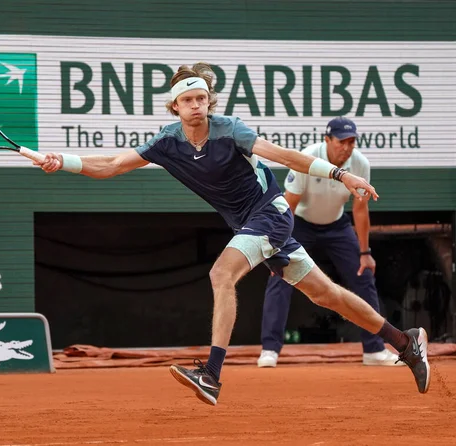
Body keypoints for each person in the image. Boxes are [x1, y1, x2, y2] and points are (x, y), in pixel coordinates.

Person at [37, 62, 430, 406]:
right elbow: (111, 164)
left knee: (220, 274)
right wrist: (63, 161)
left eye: (201, 98)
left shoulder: (230, 130)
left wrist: (340, 173)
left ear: (209, 102)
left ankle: (211, 373)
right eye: (187, 100)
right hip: (248, 224)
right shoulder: (167, 142)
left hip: (270, 214)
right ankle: (404, 342)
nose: (195, 105)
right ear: (175, 106)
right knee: (326, 293)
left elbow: (283, 155)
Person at [257, 117, 404, 369]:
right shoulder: (308, 157)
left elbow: (360, 210)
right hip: (299, 224)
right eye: (341, 141)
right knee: (279, 275)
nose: (346, 147)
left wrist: (365, 252)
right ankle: (270, 349)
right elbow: (288, 206)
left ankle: (374, 350)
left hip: (337, 226)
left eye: (351, 142)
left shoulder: (360, 164)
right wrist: (277, 246)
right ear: (327, 140)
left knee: (364, 276)